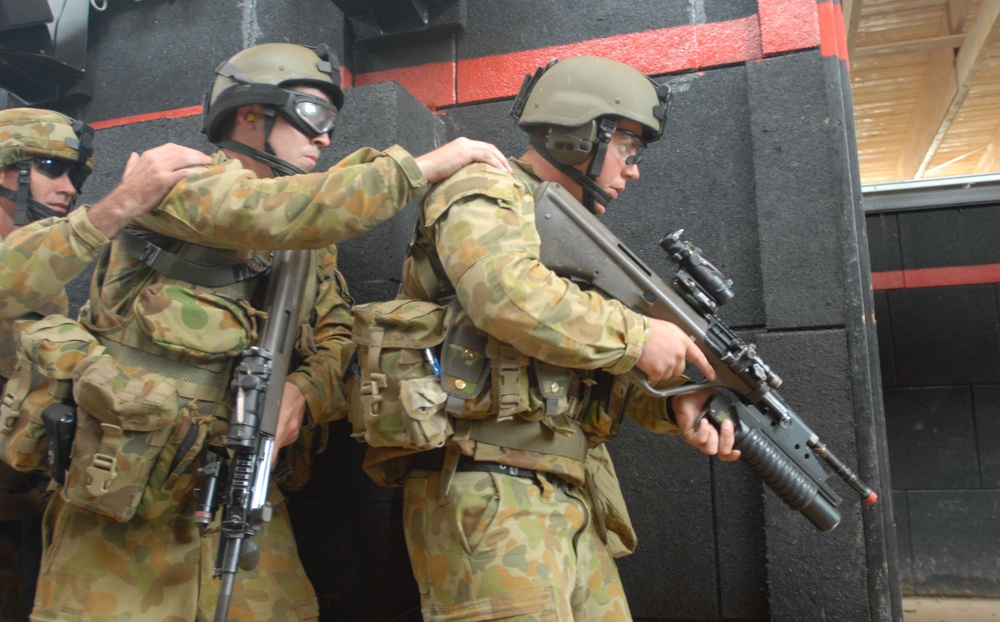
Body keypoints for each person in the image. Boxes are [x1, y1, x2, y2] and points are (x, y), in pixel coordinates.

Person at [28, 42, 509, 622]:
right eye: (313, 115)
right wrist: (421, 166)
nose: (325, 137)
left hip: (236, 487)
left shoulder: (310, 245)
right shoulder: (181, 184)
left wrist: (302, 392)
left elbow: (338, 339)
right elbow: (272, 211)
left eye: (333, 123)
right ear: (250, 112)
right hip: (125, 494)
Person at [361, 56, 742, 620]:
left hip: (571, 492)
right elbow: (504, 295)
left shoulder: (575, 236)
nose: (633, 171)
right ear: (579, 135)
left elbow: (579, 367)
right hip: (488, 491)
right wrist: (639, 336)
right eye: (628, 151)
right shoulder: (485, 185)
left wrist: (674, 402)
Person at [0, 107, 211, 622]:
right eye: (52, 166)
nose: (69, 187)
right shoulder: (27, 262)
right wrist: (120, 204)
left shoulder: (37, 258)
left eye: (78, 175)